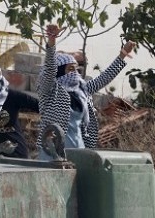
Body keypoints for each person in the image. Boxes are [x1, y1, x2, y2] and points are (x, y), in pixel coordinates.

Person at [36, 24, 136, 160]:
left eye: (76, 69)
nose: (76, 73)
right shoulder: (49, 91)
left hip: (79, 150)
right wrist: (52, 40)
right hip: (53, 152)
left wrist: (122, 55)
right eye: (71, 69)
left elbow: (104, 78)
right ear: (59, 71)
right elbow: (49, 68)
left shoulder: (81, 91)